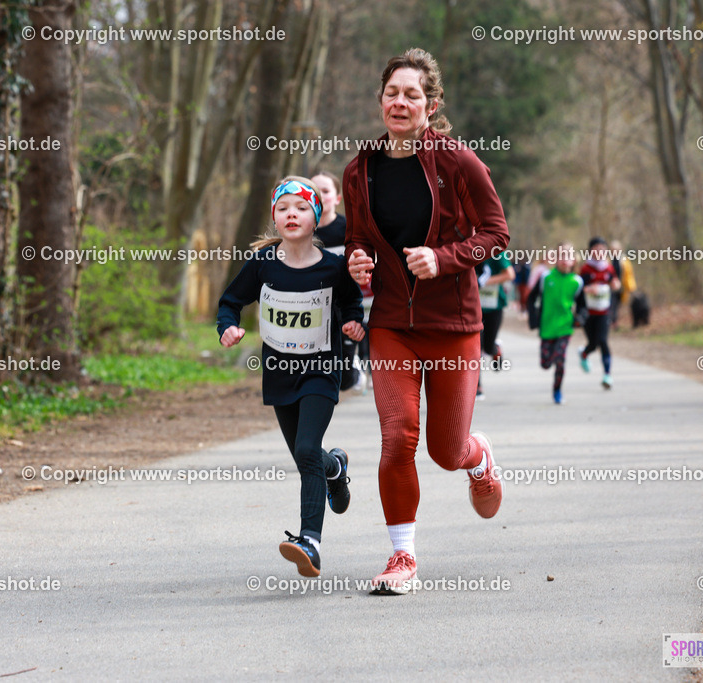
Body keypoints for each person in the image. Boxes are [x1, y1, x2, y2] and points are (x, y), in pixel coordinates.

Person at [344, 47, 509, 595]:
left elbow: (495, 234)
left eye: (412, 94)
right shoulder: (360, 170)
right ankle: (402, 557)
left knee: (444, 450)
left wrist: (444, 259)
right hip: (391, 322)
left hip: (453, 326)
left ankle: (476, 454)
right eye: (392, 92)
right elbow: (358, 238)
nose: (400, 102)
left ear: (431, 104)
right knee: (397, 439)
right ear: (381, 101)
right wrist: (357, 259)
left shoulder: (459, 161)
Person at [217, 176, 365, 578]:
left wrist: (353, 324)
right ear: (275, 219)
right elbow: (230, 301)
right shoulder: (263, 265)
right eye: (283, 209)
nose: (291, 215)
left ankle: (310, 543)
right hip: (280, 374)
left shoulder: (334, 267)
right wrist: (226, 327)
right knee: (309, 457)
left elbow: (353, 304)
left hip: (321, 370)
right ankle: (334, 468)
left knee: (305, 449)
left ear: (316, 218)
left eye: (300, 208)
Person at [312, 170, 366, 392]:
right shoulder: (302, 231)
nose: (320, 195)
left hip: (344, 306)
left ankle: (354, 372)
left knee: (344, 380)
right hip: (313, 307)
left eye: (325, 191)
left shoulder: (349, 230)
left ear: (336, 198)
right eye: (314, 191)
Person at [529, 244, 584, 404]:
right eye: (561, 256)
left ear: (574, 260)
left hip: (565, 327)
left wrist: (580, 318)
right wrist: (533, 319)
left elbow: (582, 305)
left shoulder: (577, 281)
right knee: (545, 364)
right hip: (547, 327)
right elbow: (531, 298)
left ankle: (557, 390)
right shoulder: (546, 278)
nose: (564, 260)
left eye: (568, 256)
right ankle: (549, 361)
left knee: (560, 360)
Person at [579, 237, 620, 388]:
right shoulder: (585, 269)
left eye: (603, 249)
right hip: (589, 313)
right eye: (597, 249)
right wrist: (589, 289)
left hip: (604, 312)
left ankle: (607, 375)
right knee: (593, 344)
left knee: (603, 341)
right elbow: (577, 288)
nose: (600, 252)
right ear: (590, 251)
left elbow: (615, 283)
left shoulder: (608, 267)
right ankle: (584, 353)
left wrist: (615, 285)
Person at [475, 251, 515, 399]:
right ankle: (477, 386)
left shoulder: (496, 251)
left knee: (487, 345)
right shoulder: (465, 246)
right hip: (473, 307)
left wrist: (484, 282)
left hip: (494, 306)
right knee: (476, 347)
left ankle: (495, 349)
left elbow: (510, 274)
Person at [609, 240, 637, 329]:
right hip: (610, 287)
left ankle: (615, 322)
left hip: (622, 287)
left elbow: (629, 275)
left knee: (617, 305)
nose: (615, 251)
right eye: (613, 249)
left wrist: (631, 287)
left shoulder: (624, 260)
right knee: (611, 304)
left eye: (616, 249)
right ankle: (612, 322)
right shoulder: (608, 259)